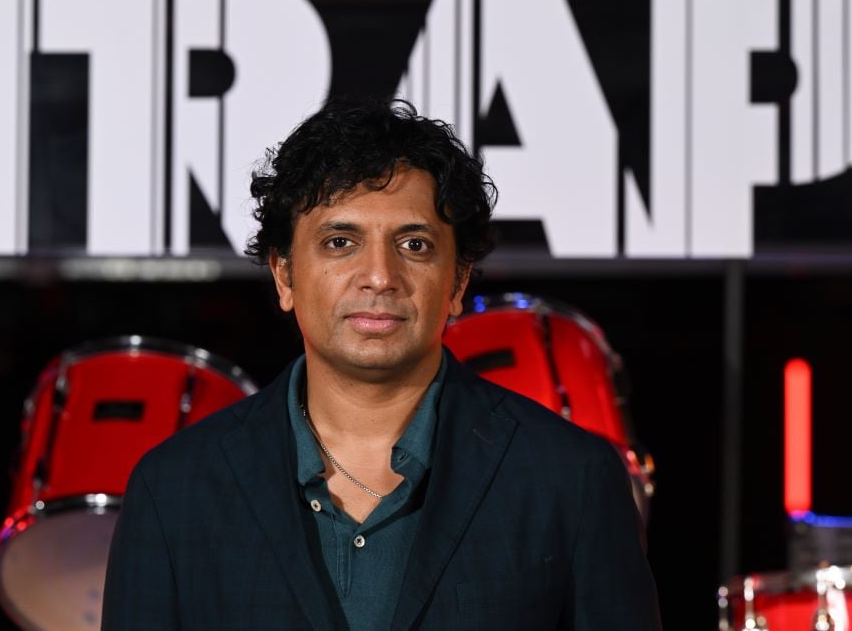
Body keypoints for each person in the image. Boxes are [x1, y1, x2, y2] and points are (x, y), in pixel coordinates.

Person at [101, 99, 661, 630]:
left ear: (458, 280)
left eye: (414, 245)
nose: (379, 276)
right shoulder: (174, 489)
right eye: (340, 241)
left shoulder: (572, 479)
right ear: (284, 275)